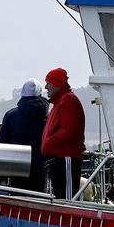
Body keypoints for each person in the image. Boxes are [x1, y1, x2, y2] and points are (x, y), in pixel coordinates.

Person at [41, 67, 85, 199]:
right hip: (59, 159)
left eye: (48, 83)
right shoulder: (60, 102)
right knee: (60, 196)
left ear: (57, 84)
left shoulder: (68, 101)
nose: (46, 86)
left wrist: (49, 143)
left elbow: (68, 130)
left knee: (67, 198)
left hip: (66, 158)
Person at [0, 78, 48, 191]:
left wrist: (2, 177)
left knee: (17, 200)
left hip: (17, 167)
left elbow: (2, 145)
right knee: (39, 200)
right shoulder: (48, 118)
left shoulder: (11, 116)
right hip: (40, 168)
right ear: (40, 94)